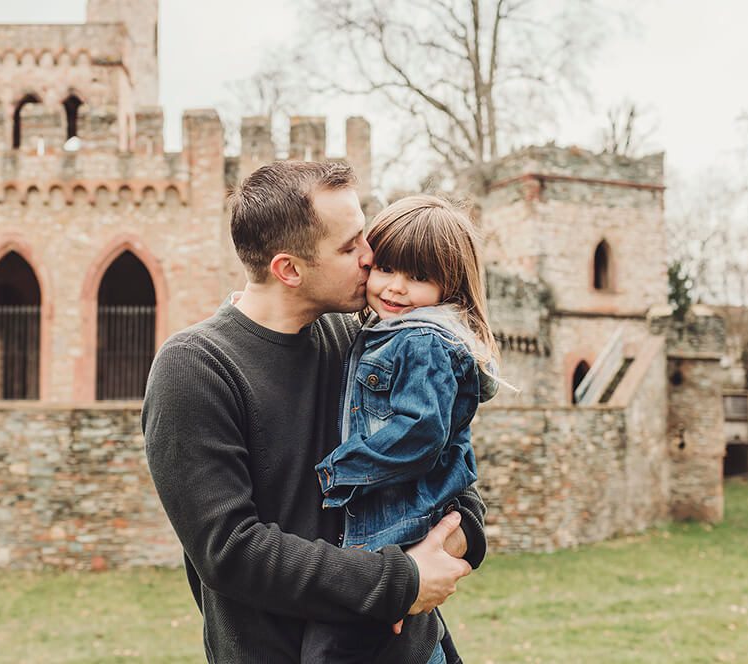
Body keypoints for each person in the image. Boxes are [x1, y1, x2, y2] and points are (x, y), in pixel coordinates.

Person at [143, 162, 487, 663]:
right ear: (289, 269)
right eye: (350, 247)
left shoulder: (365, 341)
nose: (371, 258)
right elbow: (232, 552)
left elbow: (454, 481)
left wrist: (449, 551)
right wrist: (401, 581)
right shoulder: (195, 368)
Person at [306, 195, 517, 663]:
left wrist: (335, 472)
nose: (396, 288)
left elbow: (419, 433)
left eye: (419, 277)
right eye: (387, 269)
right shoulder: (385, 331)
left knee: (339, 643)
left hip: (400, 516)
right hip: (396, 515)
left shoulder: (421, 340)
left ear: (450, 286)